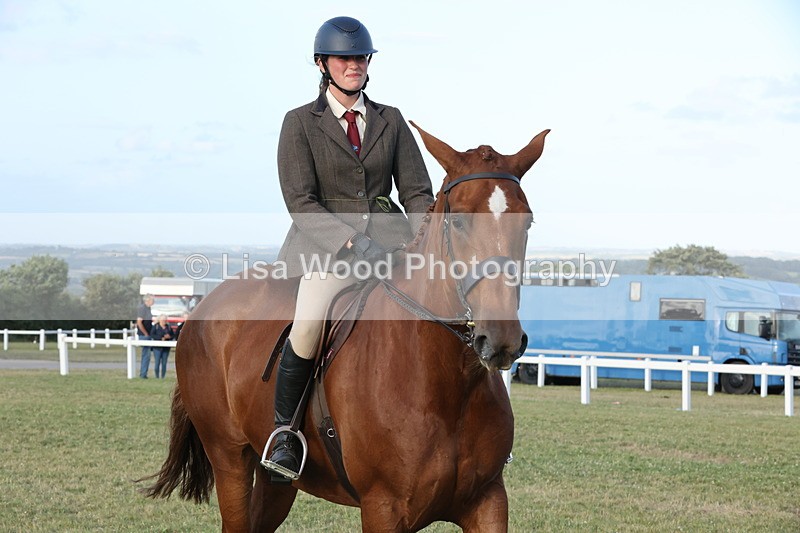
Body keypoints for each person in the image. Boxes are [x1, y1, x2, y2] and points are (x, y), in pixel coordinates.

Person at [261, 16, 434, 481]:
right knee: (311, 320)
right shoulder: (299, 123)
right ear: (323, 64)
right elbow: (301, 202)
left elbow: (417, 191)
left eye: (361, 57)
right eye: (344, 58)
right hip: (327, 253)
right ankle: (284, 434)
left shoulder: (391, 120)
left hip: (393, 248)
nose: (354, 65)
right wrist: (352, 242)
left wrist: (426, 239)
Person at [136, 294, 154, 379]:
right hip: (144, 335)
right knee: (146, 354)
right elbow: (139, 322)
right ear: (147, 300)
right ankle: (143, 374)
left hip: (147, 334)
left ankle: (144, 373)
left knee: (147, 355)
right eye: (152, 300)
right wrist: (145, 333)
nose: (153, 302)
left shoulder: (148, 309)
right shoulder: (142, 308)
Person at [150, 314, 173, 379]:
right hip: (157, 348)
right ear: (160, 320)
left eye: (165, 320)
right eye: (163, 320)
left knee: (164, 363)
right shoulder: (156, 326)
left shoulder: (168, 327)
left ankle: (163, 376)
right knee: (157, 362)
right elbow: (152, 335)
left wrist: (169, 337)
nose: (164, 321)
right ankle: (157, 376)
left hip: (166, 348)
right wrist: (161, 338)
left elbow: (173, 335)